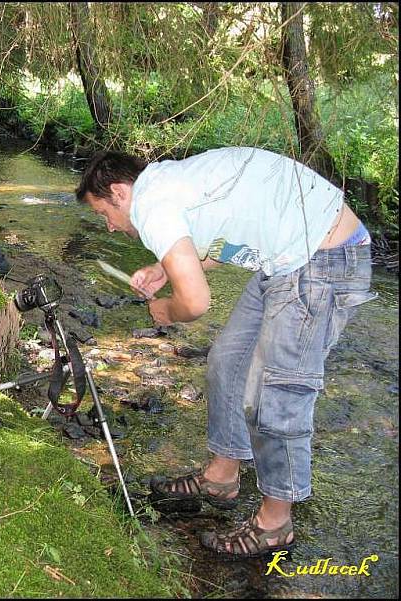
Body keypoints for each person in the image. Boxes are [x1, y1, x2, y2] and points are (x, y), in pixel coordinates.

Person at [75, 146, 375, 559]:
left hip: (323, 261)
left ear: (119, 192)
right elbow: (225, 238)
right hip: (287, 258)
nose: (108, 227)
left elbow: (195, 302)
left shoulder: (151, 205)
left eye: (102, 214)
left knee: (275, 395)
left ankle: (275, 524)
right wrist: (167, 269)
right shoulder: (167, 184)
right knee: (228, 362)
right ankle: (221, 476)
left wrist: (165, 309)